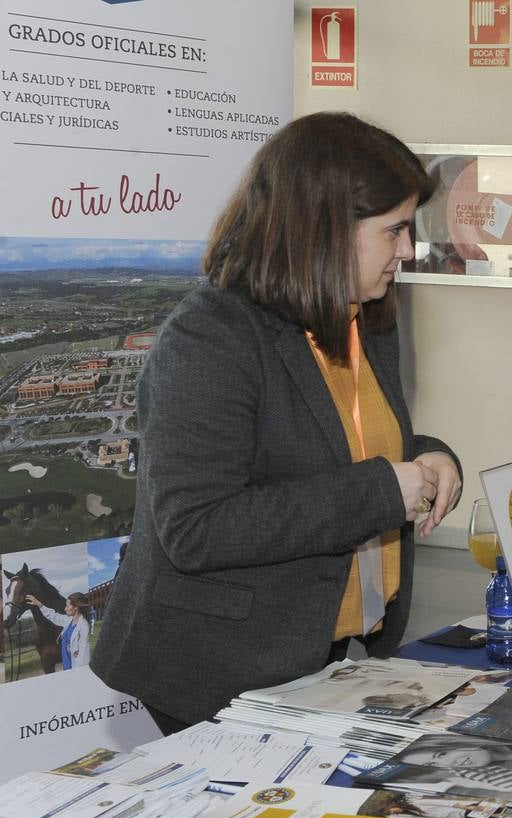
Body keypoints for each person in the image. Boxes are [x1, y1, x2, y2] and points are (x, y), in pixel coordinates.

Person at [91, 112, 463, 734]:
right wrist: (380, 492)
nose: (407, 249)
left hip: (334, 653)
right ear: (325, 229)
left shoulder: (365, 316)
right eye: (394, 230)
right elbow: (197, 527)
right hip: (222, 671)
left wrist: (430, 454)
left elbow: (337, 442)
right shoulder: (210, 338)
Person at [26, 591, 91, 669]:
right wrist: (39, 604)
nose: (65, 609)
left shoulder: (83, 626)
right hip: (67, 666)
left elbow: (84, 655)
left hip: (76, 668)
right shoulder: (69, 620)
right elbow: (54, 616)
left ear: (76, 607)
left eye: (67, 606)